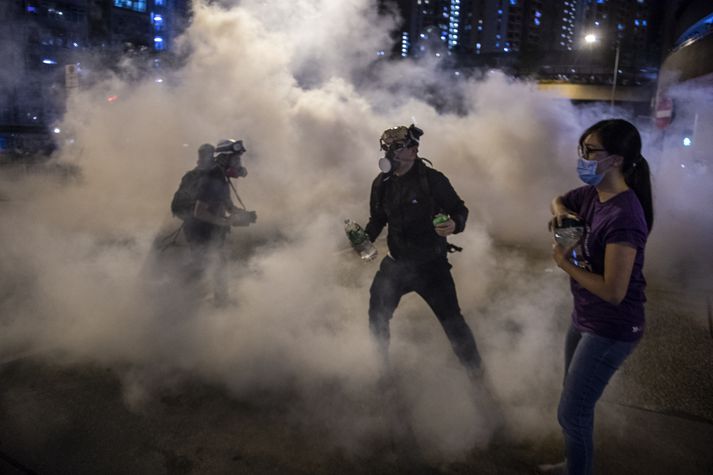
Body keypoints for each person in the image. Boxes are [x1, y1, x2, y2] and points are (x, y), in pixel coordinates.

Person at [543, 119, 654, 475]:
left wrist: (565, 263)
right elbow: (558, 199)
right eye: (582, 150)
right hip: (585, 317)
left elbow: (614, 291)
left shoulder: (624, 215)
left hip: (612, 327)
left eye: (591, 152)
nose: (583, 158)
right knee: (574, 403)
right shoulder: (591, 195)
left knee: (571, 413)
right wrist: (562, 214)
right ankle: (574, 464)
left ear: (616, 160)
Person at [364, 124, 482, 379]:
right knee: (376, 314)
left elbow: (460, 209)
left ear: (413, 150)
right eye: (387, 148)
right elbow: (377, 219)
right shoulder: (381, 183)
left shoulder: (433, 180)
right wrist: (365, 240)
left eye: (397, 148)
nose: (390, 154)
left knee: (453, 323)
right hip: (395, 265)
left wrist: (454, 224)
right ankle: (381, 368)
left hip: (431, 267)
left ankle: (477, 377)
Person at [182, 138, 257, 304]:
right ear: (224, 158)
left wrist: (245, 215)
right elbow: (199, 211)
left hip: (211, 230)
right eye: (235, 159)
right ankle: (175, 293)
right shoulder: (211, 179)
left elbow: (229, 207)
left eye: (239, 160)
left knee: (217, 264)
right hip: (199, 231)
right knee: (205, 266)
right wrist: (223, 222)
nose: (238, 164)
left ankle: (220, 300)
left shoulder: (222, 179)